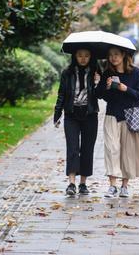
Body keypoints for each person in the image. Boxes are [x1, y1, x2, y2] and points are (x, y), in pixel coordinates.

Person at [96, 46, 139, 198]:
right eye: (110, 55)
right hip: (112, 115)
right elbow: (100, 96)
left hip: (130, 117)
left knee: (127, 152)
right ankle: (112, 186)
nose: (113, 58)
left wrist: (125, 88)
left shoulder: (136, 73)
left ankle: (125, 186)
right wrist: (104, 86)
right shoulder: (108, 73)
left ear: (124, 55)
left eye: (116, 54)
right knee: (111, 149)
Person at [54, 48, 100, 196]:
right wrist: (57, 113)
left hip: (90, 114)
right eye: (80, 55)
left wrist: (98, 83)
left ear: (91, 57)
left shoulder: (95, 72)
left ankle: (83, 184)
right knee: (72, 147)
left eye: (86, 55)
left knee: (87, 148)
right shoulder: (67, 73)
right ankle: (71, 183)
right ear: (75, 56)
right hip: (71, 114)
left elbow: (101, 95)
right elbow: (61, 93)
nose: (83, 58)